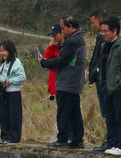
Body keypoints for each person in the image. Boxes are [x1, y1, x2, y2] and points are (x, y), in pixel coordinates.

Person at [40, 17, 86, 149]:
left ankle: (63, 139)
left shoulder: (72, 42)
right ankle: (77, 139)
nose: (62, 31)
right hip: (74, 82)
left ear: (70, 26)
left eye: (63, 28)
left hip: (67, 82)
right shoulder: (78, 40)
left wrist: (44, 63)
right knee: (74, 112)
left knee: (64, 112)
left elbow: (61, 60)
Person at [100, 16, 121, 156]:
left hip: (119, 88)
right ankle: (113, 142)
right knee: (111, 117)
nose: (103, 34)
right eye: (101, 31)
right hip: (107, 87)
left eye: (105, 31)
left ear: (115, 31)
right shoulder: (104, 46)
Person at [86, 9, 110, 152]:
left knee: (108, 111)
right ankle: (108, 139)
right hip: (99, 78)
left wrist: (97, 72)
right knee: (104, 111)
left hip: (104, 80)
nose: (92, 25)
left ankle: (111, 140)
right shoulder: (99, 37)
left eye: (93, 22)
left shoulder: (106, 39)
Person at [0, 40, 26, 144]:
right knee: (3, 116)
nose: (2, 53)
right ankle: (5, 136)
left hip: (14, 92)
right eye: (0, 51)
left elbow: (22, 77)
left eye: (3, 51)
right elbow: (3, 76)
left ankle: (14, 137)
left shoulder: (16, 62)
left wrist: (10, 81)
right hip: (4, 92)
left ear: (10, 50)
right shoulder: (4, 64)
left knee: (14, 116)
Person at [43, 24, 63, 101]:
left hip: (61, 83)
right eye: (53, 35)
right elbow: (47, 59)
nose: (54, 38)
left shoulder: (65, 47)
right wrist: (50, 47)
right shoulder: (54, 46)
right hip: (55, 82)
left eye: (55, 35)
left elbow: (58, 60)